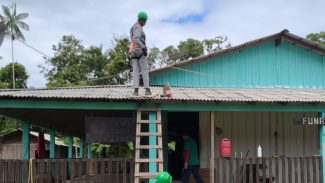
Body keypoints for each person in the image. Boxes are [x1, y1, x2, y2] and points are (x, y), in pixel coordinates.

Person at [129, 11, 151, 96]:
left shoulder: (133, 27)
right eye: (145, 21)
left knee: (135, 71)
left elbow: (133, 40)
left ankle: (136, 91)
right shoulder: (138, 27)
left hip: (134, 52)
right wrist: (143, 47)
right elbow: (136, 38)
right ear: (142, 20)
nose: (145, 23)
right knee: (144, 70)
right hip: (140, 52)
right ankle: (147, 90)